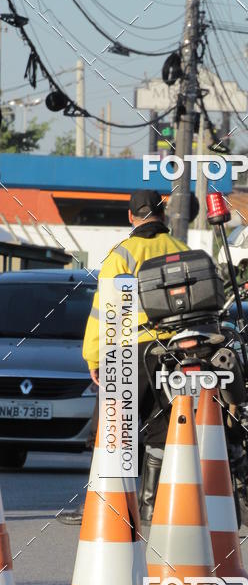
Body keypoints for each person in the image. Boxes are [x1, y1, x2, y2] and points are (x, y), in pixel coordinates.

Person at [59, 190, 189, 526]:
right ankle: (152, 505)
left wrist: (93, 356)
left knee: (114, 429)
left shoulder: (121, 255)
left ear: (131, 216)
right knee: (162, 429)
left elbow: (105, 313)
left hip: (128, 352)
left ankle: (107, 505)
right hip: (175, 352)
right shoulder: (184, 251)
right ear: (163, 215)